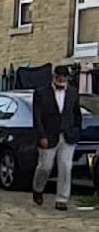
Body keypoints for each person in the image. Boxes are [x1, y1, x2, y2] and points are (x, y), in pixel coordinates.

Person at [33, 64, 82, 210]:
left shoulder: (73, 92)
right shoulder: (41, 93)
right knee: (45, 167)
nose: (61, 79)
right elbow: (37, 117)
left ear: (67, 78)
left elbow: (76, 113)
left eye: (64, 77)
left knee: (66, 167)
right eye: (58, 76)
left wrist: (76, 130)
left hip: (68, 135)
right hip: (48, 135)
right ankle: (38, 188)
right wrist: (41, 135)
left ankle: (62, 199)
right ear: (53, 76)